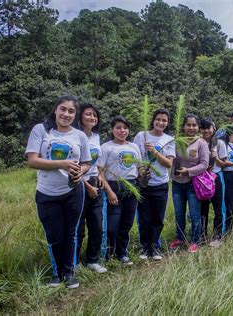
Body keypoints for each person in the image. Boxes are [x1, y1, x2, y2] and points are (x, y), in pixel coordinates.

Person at [25, 95, 91, 289]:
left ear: (75, 115)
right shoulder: (41, 130)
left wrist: (81, 171)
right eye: (63, 109)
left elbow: (87, 163)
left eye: (71, 111)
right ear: (55, 110)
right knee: (54, 235)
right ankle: (56, 273)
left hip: (73, 192)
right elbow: (32, 161)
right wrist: (61, 163)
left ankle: (69, 273)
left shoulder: (79, 135)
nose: (66, 114)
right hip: (46, 193)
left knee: (71, 234)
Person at [97, 116, 142, 266]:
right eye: (118, 127)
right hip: (114, 186)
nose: (122, 131)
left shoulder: (134, 147)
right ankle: (108, 253)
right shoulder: (106, 147)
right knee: (112, 225)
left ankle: (122, 253)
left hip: (132, 186)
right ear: (112, 130)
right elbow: (100, 171)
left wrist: (144, 173)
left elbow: (139, 167)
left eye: (125, 128)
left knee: (127, 223)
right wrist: (109, 192)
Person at [133, 109, 175, 260]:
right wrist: (140, 171)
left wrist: (155, 152)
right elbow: (135, 158)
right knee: (144, 217)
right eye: (158, 119)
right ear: (153, 120)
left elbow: (169, 163)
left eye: (164, 120)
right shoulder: (141, 135)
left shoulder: (169, 139)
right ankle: (144, 247)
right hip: (143, 184)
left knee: (158, 218)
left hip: (161, 185)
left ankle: (155, 248)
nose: (161, 123)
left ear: (167, 123)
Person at [169, 114, 209, 253]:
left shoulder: (201, 142)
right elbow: (170, 159)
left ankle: (195, 240)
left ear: (198, 127)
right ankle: (180, 238)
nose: (191, 128)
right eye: (188, 125)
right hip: (177, 183)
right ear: (184, 126)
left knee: (194, 213)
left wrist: (188, 171)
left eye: (194, 125)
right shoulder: (175, 141)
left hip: (194, 183)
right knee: (179, 213)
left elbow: (204, 164)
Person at [75, 103, 107, 273]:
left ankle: (92, 260)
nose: (92, 118)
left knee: (97, 226)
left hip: (96, 184)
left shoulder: (96, 136)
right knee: (78, 228)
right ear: (80, 116)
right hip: (79, 186)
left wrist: (100, 176)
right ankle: (75, 261)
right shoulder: (76, 136)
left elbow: (97, 163)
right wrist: (87, 186)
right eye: (88, 114)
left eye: (95, 115)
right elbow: (73, 166)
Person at [199, 118, 227, 247]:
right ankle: (202, 235)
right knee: (202, 209)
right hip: (202, 180)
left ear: (213, 128)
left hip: (215, 177)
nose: (206, 131)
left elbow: (223, 164)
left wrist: (215, 157)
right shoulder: (198, 142)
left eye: (208, 128)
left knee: (218, 208)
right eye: (204, 128)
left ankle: (217, 236)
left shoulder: (219, 143)